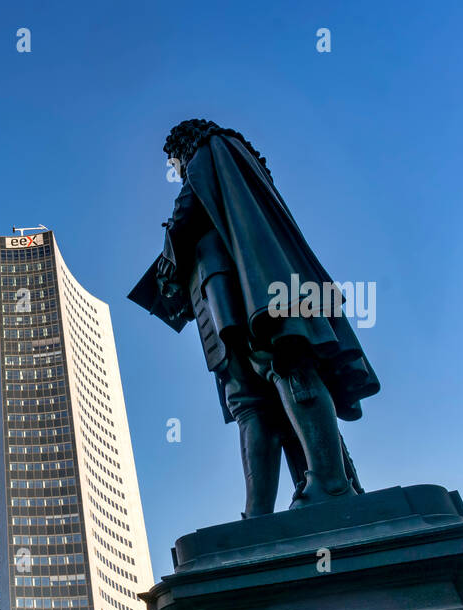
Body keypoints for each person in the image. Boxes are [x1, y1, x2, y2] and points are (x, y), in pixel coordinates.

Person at [130, 119, 379, 517]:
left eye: (174, 163)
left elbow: (188, 209)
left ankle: (331, 484)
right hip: (220, 287)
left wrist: (165, 261)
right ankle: (259, 513)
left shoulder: (211, 149)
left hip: (238, 283)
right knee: (248, 399)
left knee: (282, 362)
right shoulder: (231, 165)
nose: (176, 171)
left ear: (181, 150)